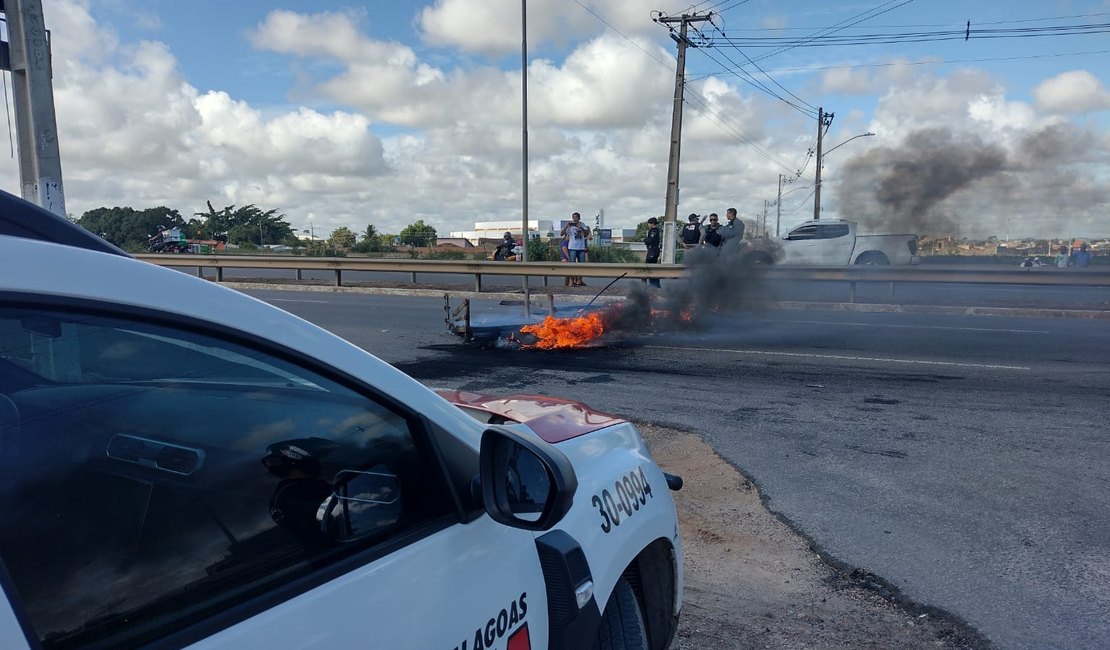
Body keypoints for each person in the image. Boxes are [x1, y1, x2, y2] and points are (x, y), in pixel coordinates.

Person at [561, 212, 590, 286]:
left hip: (581, 248)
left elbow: (587, 233)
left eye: (576, 217)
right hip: (572, 248)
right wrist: (566, 226)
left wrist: (581, 228)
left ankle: (579, 280)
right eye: (573, 217)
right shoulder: (570, 226)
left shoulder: (583, 224)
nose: (575, 219)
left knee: (581, 265)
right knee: (572, 265)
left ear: (579, 218)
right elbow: (561, 234)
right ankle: (572, 281)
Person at [643, 217, 662, 288]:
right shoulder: (652, 230)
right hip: (652, 250)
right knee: (651, 267)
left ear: (652, 224)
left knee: (649, 266)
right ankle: (653, 284)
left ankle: (654, 284)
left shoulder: (654, 231)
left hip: (653, 251)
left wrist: (644, 240)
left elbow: (650, 240)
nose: (648, 225)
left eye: (649, 223)